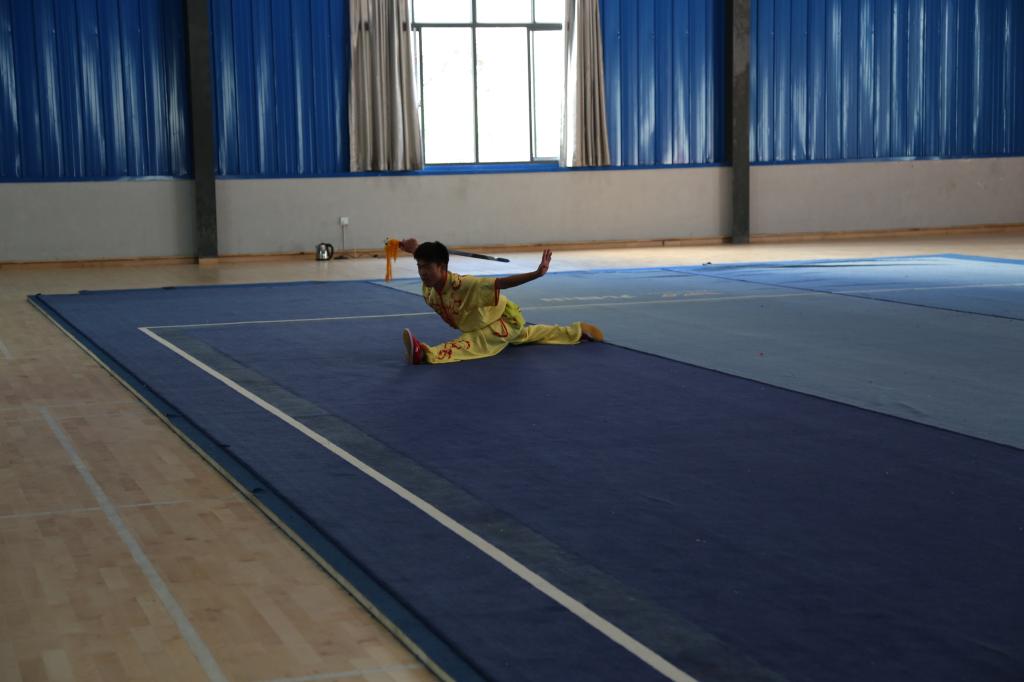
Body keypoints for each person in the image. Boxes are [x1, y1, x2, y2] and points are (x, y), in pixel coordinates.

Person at [398, 239, 603, 365]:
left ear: (442, 267)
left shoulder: (465, 285)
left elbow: (502, 283)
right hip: (493, 320)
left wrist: (536, 274)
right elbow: (425, 258)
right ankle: (577, 332)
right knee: (524, 335)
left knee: (472, 343)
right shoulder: (430, 287)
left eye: (427, 267)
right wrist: (414, 249)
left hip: (503, 320)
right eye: (419, 267)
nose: (422, 272)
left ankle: (424, 354)